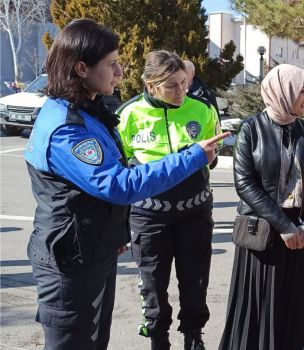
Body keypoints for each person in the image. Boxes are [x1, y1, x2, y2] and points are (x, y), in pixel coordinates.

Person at [23, 19, 226, 350]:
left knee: (93, 340)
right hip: (71, 259)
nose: (119, 73)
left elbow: (102, 179)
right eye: (112, 64)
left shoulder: (87, 112)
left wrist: (113, 229)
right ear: (81, 68)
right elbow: (118, 183)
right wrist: (192, 157)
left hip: (92, 247)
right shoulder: (67, 128)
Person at [218, 64, 304, 350]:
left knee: (290, 303)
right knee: (257, 303)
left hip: (299, 234)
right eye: (301, 90)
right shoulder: (250, 130)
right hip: (264, 229)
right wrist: (284, 226)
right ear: (284, 91)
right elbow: (245, 185)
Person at [117, 50, 224, 350]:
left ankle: (193, 336)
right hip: (148, 215)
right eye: (171, 86)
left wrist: (210, 159)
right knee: (152, 283)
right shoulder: (128, 115)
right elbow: (121, 171)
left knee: (195, 279)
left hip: (195, 212)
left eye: (183, 83)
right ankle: (157, 337)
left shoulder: (202, 109)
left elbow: (211, 160)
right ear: (151, 86)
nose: (181, 91)